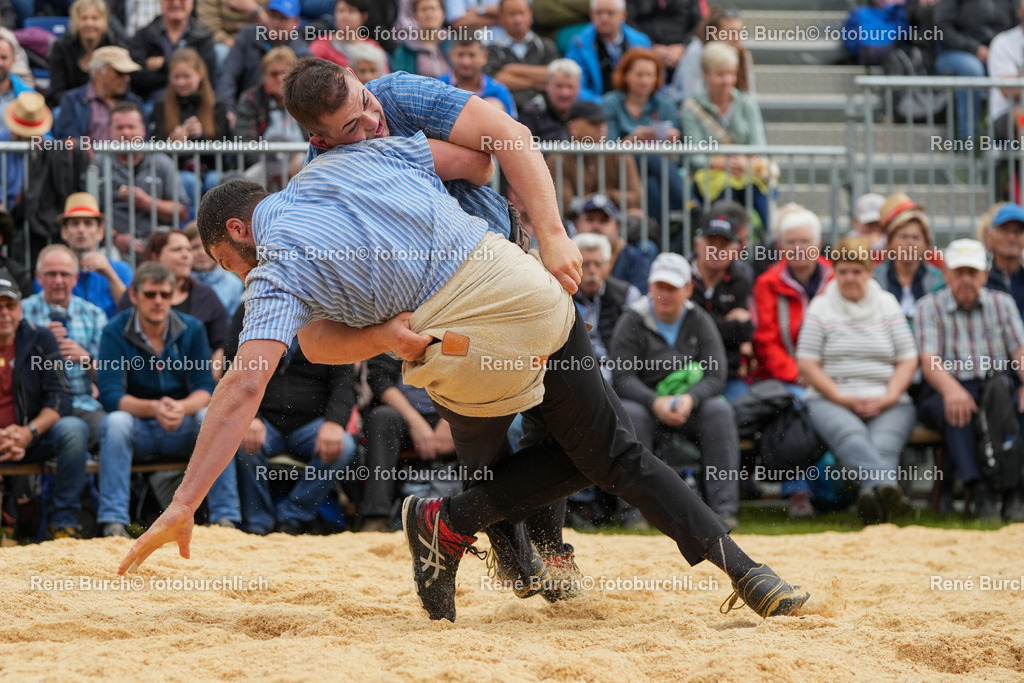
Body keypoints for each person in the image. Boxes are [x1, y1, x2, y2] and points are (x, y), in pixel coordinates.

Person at [121, 163, 808, 626]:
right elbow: (488, 136)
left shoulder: (276, 264)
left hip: (478, 322)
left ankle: (459, 524)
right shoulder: (343, 163)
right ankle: (501, 535)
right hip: (503, 301)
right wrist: (541, 223)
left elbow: (251, 379)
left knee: (599, 456)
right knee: (604, 457)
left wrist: (184, 502)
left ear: (238, 230)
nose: (234, 275)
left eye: (223, 261)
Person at [95, 261, 239, 538]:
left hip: (182, 423)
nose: (158, 301)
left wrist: (180, 407)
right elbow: (111, 395)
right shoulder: (114, 330)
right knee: (115, 422)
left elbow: (205, 388)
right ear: (135, 296)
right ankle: (113, 523)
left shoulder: (192, 328)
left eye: (164, 294)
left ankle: (225, 519)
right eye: (150, 294)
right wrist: (154, 408)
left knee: (210, 418)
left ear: (173, 296)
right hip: (139, 426)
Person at [610, 252, 742, 529]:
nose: (665, 294)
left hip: (688, 406)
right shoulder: (631, 319)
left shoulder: (700, 320)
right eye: (660, 286)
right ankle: (634, 512)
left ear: (688, 289)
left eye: (673, 287)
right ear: (650, 287)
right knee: (631, 414)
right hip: (645, 405)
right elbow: (622, 377)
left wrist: (690, 399)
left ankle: (724, 510)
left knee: (719, 410)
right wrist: (654, 401)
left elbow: (716, 375)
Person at [796, 236, 920, 525]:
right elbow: (807, 362)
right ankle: (888, 492)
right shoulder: (821, 307)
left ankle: (871, 496)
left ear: (870, 272)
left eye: (857, 271)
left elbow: (908, 358)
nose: (850, 277)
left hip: (889, 399)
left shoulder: (888, 304)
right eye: (843, 271)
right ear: (834, 273)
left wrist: (889, 396)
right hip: (830, 398)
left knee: (882, 444)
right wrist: (840, 397)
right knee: (850, 436)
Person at [915, 238, 1024, 521]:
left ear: (984, 275)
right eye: (959, 272)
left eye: (972, 272)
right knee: (957, 412)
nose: (965, 279)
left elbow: (1020, 352)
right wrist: (952, 390)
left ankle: (1014, 491)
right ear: (947, 274)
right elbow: (930, 360)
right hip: (945, 384)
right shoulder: (929, 306)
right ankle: (979, 491)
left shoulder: (1003, 303)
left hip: (996, 383)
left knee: (1013, 405)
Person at [226, 309, 358, 535]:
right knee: (237, 440)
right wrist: (250, 416)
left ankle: (292, 518)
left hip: (312, 423)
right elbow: (233, 366)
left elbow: (344, 380)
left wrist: (335, 423)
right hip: (262, 420)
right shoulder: (252, 309)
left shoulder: (333, 313)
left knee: (344, 446)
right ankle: (258, 523)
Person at [751, 206, 833, 518]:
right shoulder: (767, 283)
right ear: (780, 246)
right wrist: (800, 374)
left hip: (832, 375)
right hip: (788, 378)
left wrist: (824, 376)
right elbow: (766, 341)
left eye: (805, 241)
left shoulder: (836, 278)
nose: (798, 248)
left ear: (818, 243)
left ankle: (830, 490)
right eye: (790, 242)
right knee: (800, 408)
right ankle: (799, 491)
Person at [0, 265, 89, 541]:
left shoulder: (40, 338)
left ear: (20, 309)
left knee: (74, 429)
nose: (4, 313)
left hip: (32, 435)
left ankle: (63, 523)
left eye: (10, 305)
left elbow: (61, 396)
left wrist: (28, 433)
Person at [359, 353, 458, 532]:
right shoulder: (396, 326)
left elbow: (475, 375)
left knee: (484, 421)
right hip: (403, 414)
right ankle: (377, 517)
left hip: (458, 410)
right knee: (381, 418)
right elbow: (379, 377)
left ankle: (484, 513)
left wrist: (452, 418)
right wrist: (414, 421)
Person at [22, 245, 108, 447]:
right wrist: (41, 343)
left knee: (109, 430)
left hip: (82, 403)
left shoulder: (94, 315)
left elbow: (110, 374)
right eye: (51, 274)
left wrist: (87, 359)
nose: (58, 281)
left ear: (75, 278)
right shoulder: (21, 313)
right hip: (34, 407)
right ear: (39, 277)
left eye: (65, 274)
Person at [681, 41, 770, 232]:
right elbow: (696, 156)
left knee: (756, 193)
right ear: (706, 75)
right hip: (710, 176)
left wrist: (744, 165)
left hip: (746, 172)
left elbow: (759, 146)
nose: (727, 80)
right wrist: (725, 164)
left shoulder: (747, 103)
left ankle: (769, 241)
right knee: (726, 193)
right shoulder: (691, 109)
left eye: (731, 74)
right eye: (720, 74)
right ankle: (720, 241)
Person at [118, 230, 229, 379]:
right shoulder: (136, 294)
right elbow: (119, 339)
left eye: (188, 250)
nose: (186, 255)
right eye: (177, 250)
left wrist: (209, 381)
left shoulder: (205, 295)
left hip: (195, 385)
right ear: (155, 257)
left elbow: (221, 344)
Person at [600, 47, 683, 223]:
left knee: (652, 184)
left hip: (656, 173)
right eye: (639, 75)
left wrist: (672, 141)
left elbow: (674, 158)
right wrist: (633, 139)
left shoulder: (665, 105)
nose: (644, 81)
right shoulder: (610, 102)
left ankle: (656, 236)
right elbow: (608, 149)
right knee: (651, 155)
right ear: (626, 75)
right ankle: (689, 203)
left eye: (650, 75)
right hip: (622, 169)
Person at [102, 102, 192, 257]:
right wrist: (115, 237)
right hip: (114, 244)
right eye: (120, 128)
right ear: (110, 131)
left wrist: (146, 202)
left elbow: (182, 211)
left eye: (131, 127)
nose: (126, 133)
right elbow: (92, 212)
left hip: (159, 243)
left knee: (172, 254)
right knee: (107, 255)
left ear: (143, 130)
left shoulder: (161, 161)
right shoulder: (100, 164)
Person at [150, 47, 232, 207]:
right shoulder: (161, 105)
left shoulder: (217, 104)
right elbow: (155, 150)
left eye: (186, 76)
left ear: (200, 74)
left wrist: (201, 137)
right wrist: (174, 146)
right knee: (188, 181)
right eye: (176, 77)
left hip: (209, 168)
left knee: (215, 180)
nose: (181, 82)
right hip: (177, 169)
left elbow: (225, 152)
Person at [689, 211, 755, 403]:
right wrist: (728, 324)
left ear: (735, 250)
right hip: (684, 372)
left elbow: (745, 331)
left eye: (723, 245)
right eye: (711, 244)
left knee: (744, 415)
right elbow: (682, 330)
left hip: (729, 376)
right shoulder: (681, 276)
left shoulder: (741, 280)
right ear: (697, 245)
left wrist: (700, 324)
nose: (716, 250)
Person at [933, 0, 1017, 140]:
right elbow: (942, 28)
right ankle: (969, 142)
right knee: (972, 70)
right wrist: (974, 48)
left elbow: (1016, 27)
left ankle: (1003, 142)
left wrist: (999, 50)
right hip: (958, 52)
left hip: (1000, 51)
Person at [546, 101, 644, 215]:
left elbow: (637, 198)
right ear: (573, 128)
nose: (601, 127)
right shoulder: (558, 159)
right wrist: (595, 204)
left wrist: (604, 197)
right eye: (593, 123)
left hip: (613, 219)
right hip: (575, 221)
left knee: (637, 215)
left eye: (603, 122)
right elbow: (564, 203)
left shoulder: (619, 155)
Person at [216, 0, 310, 115]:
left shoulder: (302, 53)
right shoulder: (248, 35)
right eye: (272, 16)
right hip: (246, 108)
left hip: (285, 113)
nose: (276, 22)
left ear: (296, 22)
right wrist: (227, 109)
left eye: (282, 18)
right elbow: (229, 75)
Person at [235, 47, 306, 191]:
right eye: (274, 74)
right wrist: (276, 166)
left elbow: (317, 136)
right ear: (264, 76)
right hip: (263, 163)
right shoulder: (251, 99)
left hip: (301, 164)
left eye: (285, 73)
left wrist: (294, 162)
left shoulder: (305, 98)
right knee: (242, 185)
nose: (280, 78)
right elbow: (245, 143)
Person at [57, 193, 133, 319]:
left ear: (100, 232)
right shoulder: (53, 271)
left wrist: (110, 275)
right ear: (64, 232)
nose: (81, 230)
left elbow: (133, 312)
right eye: (75, 224)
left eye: (88, 223)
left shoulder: (121, 270)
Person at [873, 192, 944, 323]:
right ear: (890, 240)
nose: (910, 243)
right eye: (903, 236)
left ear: (926, 243)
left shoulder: (939, 279)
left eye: (916, 237)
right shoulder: (874, 279)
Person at [128, 0, 218, 103]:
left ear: (192, 3)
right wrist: (186, 75)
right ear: (161, 3)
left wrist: (163, 65)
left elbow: (205, 74)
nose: (176, 3)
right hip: (153, 100)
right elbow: (137, 76)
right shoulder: (144, 35)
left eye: (182, 0)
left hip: (194, 101)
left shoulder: (203, 36)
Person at [667, 7, 756, 108]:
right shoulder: (697, 53)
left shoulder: (743, 54)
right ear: (714, 33)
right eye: (731, 32)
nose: (737, 38)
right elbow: (692, 99)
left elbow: (750, 97)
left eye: (740, 32)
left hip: (730, 115)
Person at [45, 0, 127, 109]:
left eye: (95, 18)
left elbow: (123, 88)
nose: (89, 23)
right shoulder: (61, 47)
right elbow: (57, 91)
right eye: (84, 18)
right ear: (75, 21)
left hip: (109, 105)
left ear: (104, 21)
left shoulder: (116, 47)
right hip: (71, 105)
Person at [564, 0, 651, 102]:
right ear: (591, 14)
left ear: (623, 15)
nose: (604, 18)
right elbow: (574, 87)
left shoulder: (641, 42)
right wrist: (604, 105)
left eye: (610, 13)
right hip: (598, 109)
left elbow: (653, 80)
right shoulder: (579, 44)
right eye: (599, 12)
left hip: (636, 106)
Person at [52, 46, 144, 142]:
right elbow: (69, 139)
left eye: (128, 73)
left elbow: (143, 139)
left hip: (127, 156)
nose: (126, 78)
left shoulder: (134, 102)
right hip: (87, 156)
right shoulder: (72, 100)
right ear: (98, 73)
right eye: (119, 72)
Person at [483, 0, 560, 113]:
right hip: (510, 115)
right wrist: (538, 82)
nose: (518, 19)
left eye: (521, 13)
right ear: (501, 18)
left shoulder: (546, 46)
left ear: (531, 15)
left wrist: (512, 69)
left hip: (546, 114)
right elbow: (495, 80)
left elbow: (555, 75)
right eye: (512, 14)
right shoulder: (492, 50)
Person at [573, 193, 656, 294]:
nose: (596, 226)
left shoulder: (634, 258)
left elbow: (639, 300)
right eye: (590, 219)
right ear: (577, 225)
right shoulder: (564, 257)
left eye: (604, 220)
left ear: (617, 227)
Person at [440, 37, 517, 116]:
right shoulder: (439, 89)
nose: (466, 62)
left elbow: (512, 125)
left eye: (472, 55)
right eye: (460, 55)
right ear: (451, 55)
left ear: (485, 56)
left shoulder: (499, 91)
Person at [625, 0, 700, 81]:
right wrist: (650, 45)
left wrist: (683, 46)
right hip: (645, 49)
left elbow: (699, 23)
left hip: (682, 53)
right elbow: (628, 21)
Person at [185, 222, 244, 317]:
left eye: (206, 247)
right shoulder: (180, 281)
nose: (202, 253)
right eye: (195, 247)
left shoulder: (234, 284)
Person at [309, 0, 388, 71]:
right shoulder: (321, 46)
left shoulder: (374, 49)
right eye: (341, 11)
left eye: (351, 11)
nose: (345, 16)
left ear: (364, 16)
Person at [518, 58, 581, 142]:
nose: (565, 93)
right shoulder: (532, 113)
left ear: (579, 88)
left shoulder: (585, 114)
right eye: (559, 86)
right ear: (547, 86)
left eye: (570, 87)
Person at [389, 0, 452, 79]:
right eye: (424, 10)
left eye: (433, 9)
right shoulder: (406, 49)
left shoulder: (454, 43)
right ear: (415, 16)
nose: (429, 14)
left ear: (443, 14)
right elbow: (400, 80)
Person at [984, 202, 1024, 315]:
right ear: (990, 236)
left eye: (1018, 231)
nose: (1012, 237)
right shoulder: (980, 278)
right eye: (1004, 230)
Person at [0, 29, 34, 137]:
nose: (0, 63)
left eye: (4, 57)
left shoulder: (30, 97)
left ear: (13, 60)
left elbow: (43, 139)